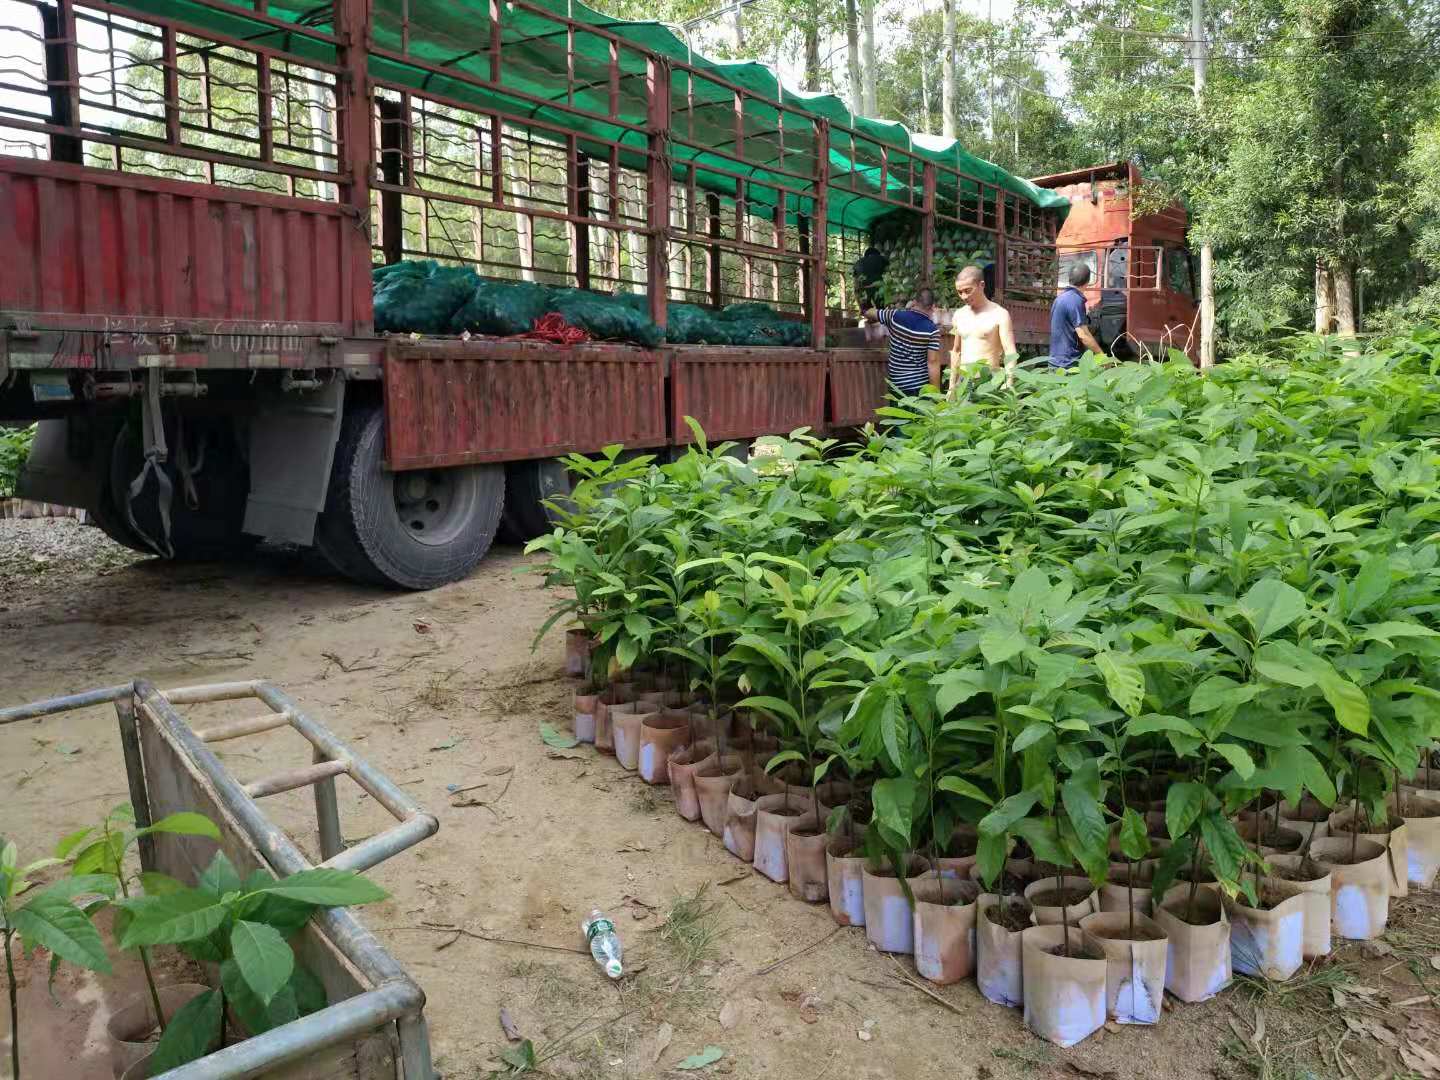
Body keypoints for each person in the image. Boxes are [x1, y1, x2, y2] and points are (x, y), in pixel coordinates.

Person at [947, 265, 1017, 395]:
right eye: (959, 292)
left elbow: (1010, 352)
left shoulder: (1000, 314)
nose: (964, 296)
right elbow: (956, 351)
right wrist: (952, 386)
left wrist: (1009, 382)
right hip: (964, 381)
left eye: (968, 291)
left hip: (989, 380)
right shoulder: (959, 315)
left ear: (981, 285)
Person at [863, 288, 942, 396]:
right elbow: (932, 363)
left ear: (914, 302)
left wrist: (869, 315)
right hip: (920, 388)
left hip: (897, 386)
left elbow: (869, 313)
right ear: (932, 307)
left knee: (898, 413)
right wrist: (936, 397)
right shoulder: (932, 330)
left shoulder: (894, 316)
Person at [1049, 262, 1105, 370]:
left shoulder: (1060, 298)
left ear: (1070, 279)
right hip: (1068, 364)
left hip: (1055, 361)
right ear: (1087, 281)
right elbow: (1083, 335)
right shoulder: (1075, 300)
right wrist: (1102, 356)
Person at [852, 246, 890, 312]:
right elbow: (888, 273)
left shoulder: (858, 263)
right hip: (877, 291)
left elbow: (856, 285)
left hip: (863, 292)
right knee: (880, 313)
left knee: (869, 313)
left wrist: (860, 305)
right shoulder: (881, 259)